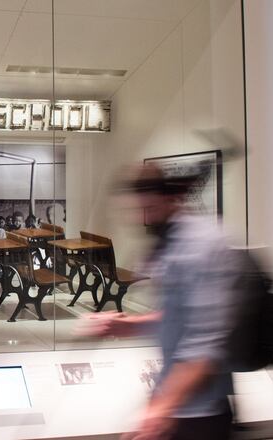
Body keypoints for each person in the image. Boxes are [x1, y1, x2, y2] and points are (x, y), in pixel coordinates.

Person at [84, 164, 236, 440]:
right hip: (176, 404)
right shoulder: (173, 241)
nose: (143, 218)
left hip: (199, 414)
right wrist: (128, 325)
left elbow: (205, 344)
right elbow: (177, 316)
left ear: (169, 199)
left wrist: (161, 409)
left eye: (148, 210)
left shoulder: (199, 245)